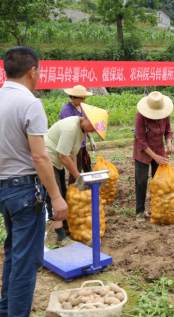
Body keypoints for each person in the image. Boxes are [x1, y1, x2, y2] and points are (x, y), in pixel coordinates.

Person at [0, 47, 68, 317]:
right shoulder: (30, 103)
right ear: (32, 71)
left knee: (14, 252)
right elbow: (40, 157)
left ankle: (4, 310)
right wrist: (56, 196)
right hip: (25, 192)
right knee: (26, 262)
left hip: (0, 189)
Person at [44, 104, 107, 246]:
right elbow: (63, 155)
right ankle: (60, 237)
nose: (92, 132)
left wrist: (76, 174)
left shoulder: (80, 130)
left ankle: (66, 227)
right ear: (87, 121)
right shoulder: (71, 128)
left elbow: (71, 153)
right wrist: (78, 175)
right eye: (93, 129)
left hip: (57, 160)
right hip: (48, 160)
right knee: (55, 196)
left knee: (63, 193)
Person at [133, 91, 174, 222]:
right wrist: (155, 156)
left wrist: (168, 143)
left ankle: (157, 208)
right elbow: (141, 140)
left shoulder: (165, 115)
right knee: (142, 181)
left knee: (159, 181)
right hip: (143, 152)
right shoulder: (140, 116)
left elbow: (168, 131)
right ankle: (140, 210)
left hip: (159, 149)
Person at [60, 85, 97, 184]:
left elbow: (85, 124)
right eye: (81, 98)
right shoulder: (66, 111)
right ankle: (72, 192)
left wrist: (91, 138)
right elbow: (68, 132)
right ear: (72, 97)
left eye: (84, 98)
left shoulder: (81, 107)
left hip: (82, 143)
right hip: (74, 145)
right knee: (75, 169)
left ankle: (90, 187)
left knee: (87, 166)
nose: (83, 100)